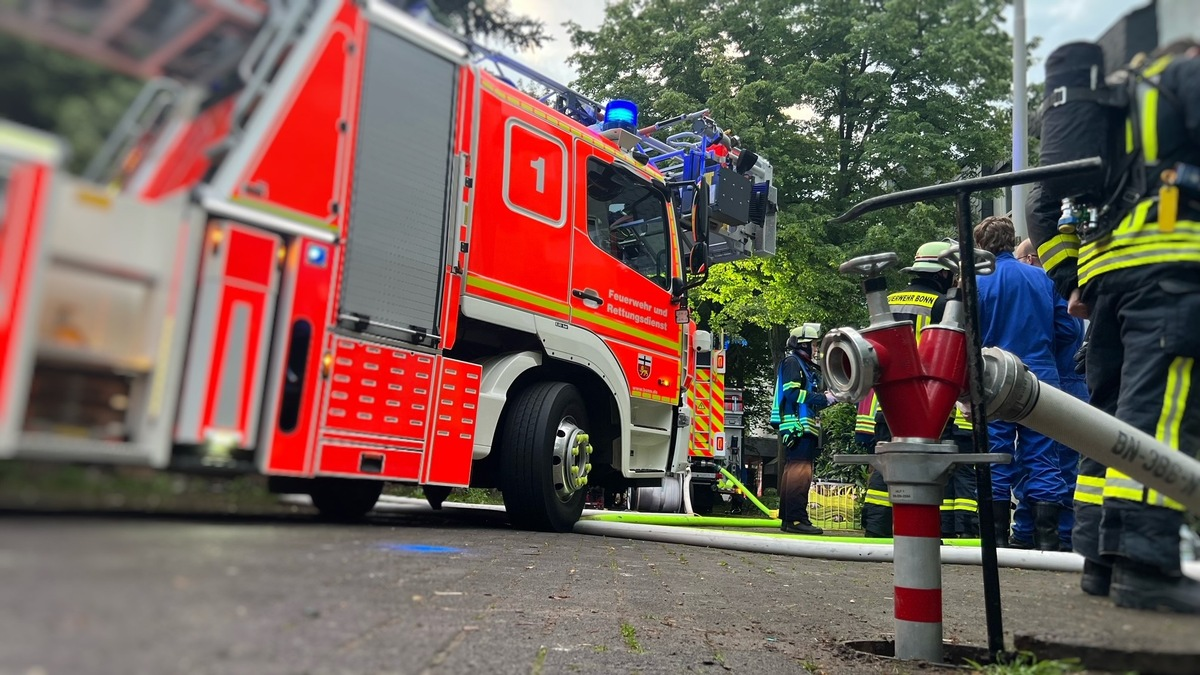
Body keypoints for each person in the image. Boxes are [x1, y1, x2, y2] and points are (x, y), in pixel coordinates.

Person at [1027, 40, 1200, 612]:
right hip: (1173, 269)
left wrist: (1071, 278)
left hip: (1106, 285)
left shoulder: (1104, 106)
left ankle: (1099, 563)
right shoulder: (1184, 78)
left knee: (1107, 422)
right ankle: (1146, 567)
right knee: (1162, 417)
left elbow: (1044, 202)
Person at [858, 241, 980, 540]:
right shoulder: (942, 305)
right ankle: (945, 533)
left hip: (886, 402)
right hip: (931, 404)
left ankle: (877, 530)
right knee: (935, 470)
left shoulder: (887, 301)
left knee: (887, 466)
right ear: (942, 274)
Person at [974, 216, 1079, 551]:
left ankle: (995, 540)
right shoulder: (1043, 279)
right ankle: (1047, 541)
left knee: (995, 456)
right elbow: (1069, 330)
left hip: (993, 377)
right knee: (1044, 456)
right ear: (1011, 240)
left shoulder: (976, 282)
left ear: (981, 245)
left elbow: (966, 333)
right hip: (1041, 378)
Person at [1012, 237, 1086, 551]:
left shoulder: (1051, 286)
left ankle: (1054, 536)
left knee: (1052, 463)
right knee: (1041, 461)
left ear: (1029, 260)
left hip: (1061, 383)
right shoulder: (1054, 290)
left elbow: (1068, 331)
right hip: (1060, 381)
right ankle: (1035, 533)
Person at [771, 323, 835, 535]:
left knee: (795, 473)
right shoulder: (792, 363)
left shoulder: (801, 365)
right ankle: (797, 520)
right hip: (797, 427)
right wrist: (822, 398)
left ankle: (789, 520)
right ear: (804, 345)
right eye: (814, 345)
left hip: (800, 428)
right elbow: (792, 394)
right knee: (800, 474)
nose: (816, 349)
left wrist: (826, 398)